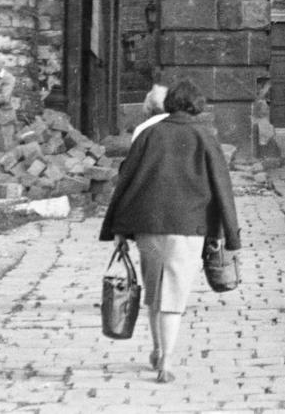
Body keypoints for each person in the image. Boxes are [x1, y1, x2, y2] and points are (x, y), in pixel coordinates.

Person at [100, 78, 240, 384]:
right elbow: (222, 188)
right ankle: (167, 360)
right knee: (173, 296)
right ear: (197, 105)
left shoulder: (148, 135)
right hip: (188, 230)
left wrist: (118, 229)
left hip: (148, 229)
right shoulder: (205, 137)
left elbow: (127, 181)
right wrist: (231, 237)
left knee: (154, 291)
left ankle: (155, 347)